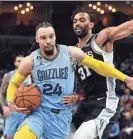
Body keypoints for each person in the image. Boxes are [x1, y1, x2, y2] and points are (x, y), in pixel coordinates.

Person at [6, 22, 133, 139]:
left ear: (55, 36)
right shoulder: (30, 60)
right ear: (37, 39)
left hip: (61, 117)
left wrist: (125, 78)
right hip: (39, 113)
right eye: (43, 38)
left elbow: (98, 66)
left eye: (51, 36)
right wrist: (11, 102)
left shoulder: (70, 53)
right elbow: (13, 83)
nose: (48, 41)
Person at [63, 7, 133, 139]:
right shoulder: (74, 52)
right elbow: (78, 80)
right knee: (63, 133)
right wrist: (75, 96)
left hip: (105, 101)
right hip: (86, 104)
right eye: (75, 21)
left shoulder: (100, 39)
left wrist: (126, 79)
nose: (77, 23)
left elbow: (128, 27)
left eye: (82, 20)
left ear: (91, 24)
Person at [0, 55, 32, 139]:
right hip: (12, 111)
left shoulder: (30, 76)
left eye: (22, 61)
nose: (21, 62)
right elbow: (2, 94)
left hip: (25, 111)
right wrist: (4, 107)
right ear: (14, 63)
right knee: (9, 136)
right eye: (18, 61)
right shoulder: (8, 76)